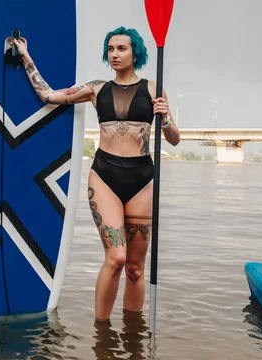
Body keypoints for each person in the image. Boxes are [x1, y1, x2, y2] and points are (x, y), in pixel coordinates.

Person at [12, 26, 180, 321]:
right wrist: (26, 56)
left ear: (135, 53)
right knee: (116, 258)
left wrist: (165, 118)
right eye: (110, 49)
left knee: (136, 268)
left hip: (143, 179)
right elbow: (48, 95)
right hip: (105, 176)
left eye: (121, 49)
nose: (114, 54)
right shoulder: (96, 89)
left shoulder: (155, 89)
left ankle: (132, 337)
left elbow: (174, 139)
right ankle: (101, 336)